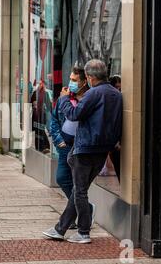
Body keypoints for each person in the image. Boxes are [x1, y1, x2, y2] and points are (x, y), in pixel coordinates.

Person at [43, 59, 123, 244]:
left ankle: (83, 232)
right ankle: (60, 229)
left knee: (79, 191)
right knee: (80, 190)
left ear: (89, 77)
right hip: (102, 150)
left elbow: (74, 114)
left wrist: (63, 99)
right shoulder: (116, 94)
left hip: (86, 149)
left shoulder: (94, 93)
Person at [49, 65, 93, 230]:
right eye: (70, 79)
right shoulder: (63, 99)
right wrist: (59, 141)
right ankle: (86, 209)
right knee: (61, 178)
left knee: (78, 185)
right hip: (65, 146)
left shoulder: (89, 99)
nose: (71, 83)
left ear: (84, 82)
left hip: (81, 147)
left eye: (75, 80)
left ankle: (78, 216)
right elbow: (53, 121)